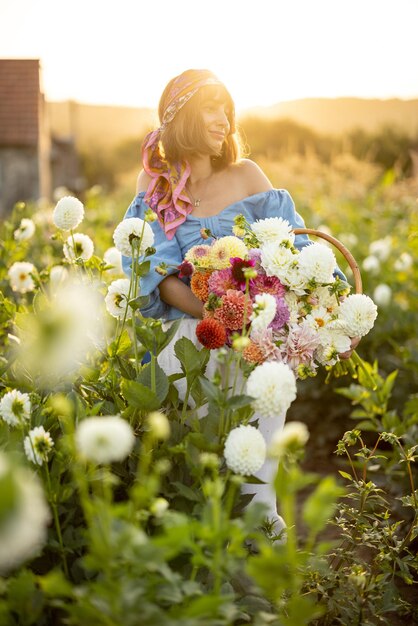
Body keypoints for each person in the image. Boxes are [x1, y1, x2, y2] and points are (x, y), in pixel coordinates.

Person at [121, 68, 360, 534]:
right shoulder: (158, 186)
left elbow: (302, 251)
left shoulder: (247, 176)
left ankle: (259, 589)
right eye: (211, 109)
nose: (223, 121)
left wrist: (336, 314)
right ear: (183, 117)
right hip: (187, 345)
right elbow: (158, 277)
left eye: (227, 111)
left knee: (254, 476)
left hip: (256, 346)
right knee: (193, 469)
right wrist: (220, 316)